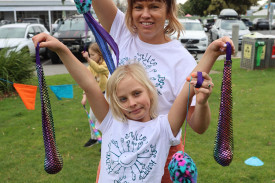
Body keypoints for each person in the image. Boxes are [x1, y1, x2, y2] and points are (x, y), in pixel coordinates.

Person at [33, 33, 214, 182]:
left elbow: (188, 85)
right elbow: (88, 83)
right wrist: (61, 49)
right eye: (122, 98)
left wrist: (212, 53)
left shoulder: (164, 127)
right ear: (115, 101)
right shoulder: (110, 121)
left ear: (150, 93)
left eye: (136, 93)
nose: (132, 103)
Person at [91, 0, 235, 182]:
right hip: (118, 155)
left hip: (162, 156)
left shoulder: (181, 60)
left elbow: (198, 127)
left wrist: (202, 103)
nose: (145, 14)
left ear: (168, 11)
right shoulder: (122, 33)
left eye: (154, 6)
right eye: (138, 7)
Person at [81, 43, 109, 147]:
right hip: (96, 96)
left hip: (107, 95)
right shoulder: (90, 68)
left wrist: (88, 59)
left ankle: (107, 140)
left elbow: (98, 69)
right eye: (90, 55)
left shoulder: (106, 64)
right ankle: (94, 138)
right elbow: (87, 83)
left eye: (93, 55)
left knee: (106, 119)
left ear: (100, 54)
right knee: (92, 118)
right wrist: (84, 96)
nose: (91, 57)